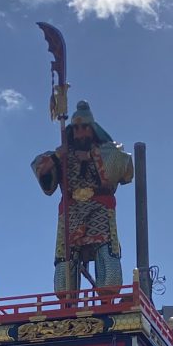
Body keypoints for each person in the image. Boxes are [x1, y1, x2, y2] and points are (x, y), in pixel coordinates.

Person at [32, 100, 134, 295]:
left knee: (106, 252)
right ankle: (66, 298)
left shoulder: (107, 150)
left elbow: (125, 166)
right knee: (66, 258)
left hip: (100, 209)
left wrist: (91, 156)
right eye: (76, 128)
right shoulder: (63, 155)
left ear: (93, 129)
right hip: (72, 212)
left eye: (85, 127)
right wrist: (56, 157)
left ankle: (108, 296)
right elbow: (42, 171)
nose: (80, 132)